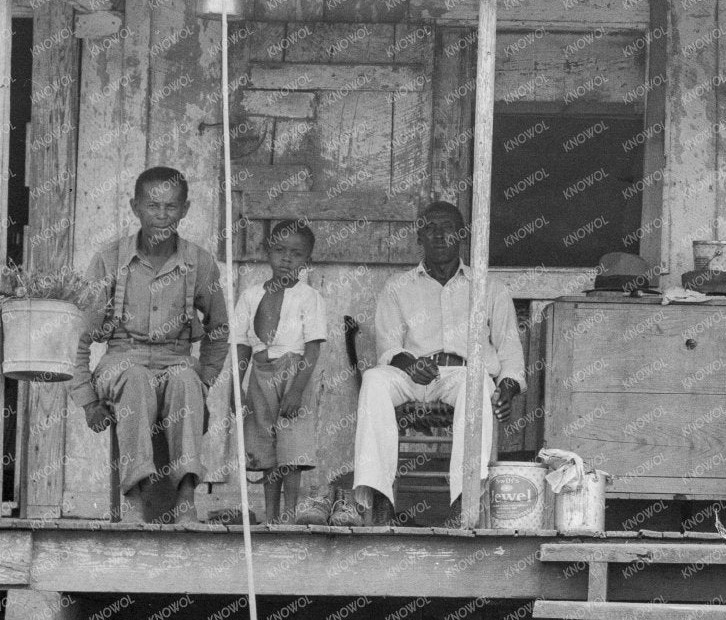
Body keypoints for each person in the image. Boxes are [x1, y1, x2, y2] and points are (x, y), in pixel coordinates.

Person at [70, 167, 230, 524]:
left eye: (171, 207)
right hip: (122, 359)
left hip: (177, 358)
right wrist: (87, 402)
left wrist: (204, 378)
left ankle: (186, 496)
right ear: (135, 207)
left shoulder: (199, 262)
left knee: (186, 381)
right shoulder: (110, 259)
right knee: (137, 379)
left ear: (185, 209)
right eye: (152, 206)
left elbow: (219, 329)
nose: (161, 216)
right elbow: (78, 335)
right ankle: (134, 498)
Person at [352, 201, 523, 526]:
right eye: (430, 228)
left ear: (462, 234)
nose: (440, 235)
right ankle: (380, 499)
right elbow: (388, 348)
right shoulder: (397, 287)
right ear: (419, 236)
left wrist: (509, 387)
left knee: (476, 385)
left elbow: (510, 352)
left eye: (448, 228)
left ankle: (464, 504)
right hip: (413, 372)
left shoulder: (490, 289)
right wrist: (408, 363)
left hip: (464, 374)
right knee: (374, 380)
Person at [230, 218, 328, 524]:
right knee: (266, 447)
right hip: (260, 372)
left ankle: (289, 512)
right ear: (267, 251)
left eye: (296, 254)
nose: (287, 259)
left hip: (294, 372)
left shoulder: (309, 297)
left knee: (291, 447)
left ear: (306, 260)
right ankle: (270, 515)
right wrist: (235, 387)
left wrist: (297, 389)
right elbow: (242, 346)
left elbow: (313, 347)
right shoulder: (250, 295)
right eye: (280, 250)